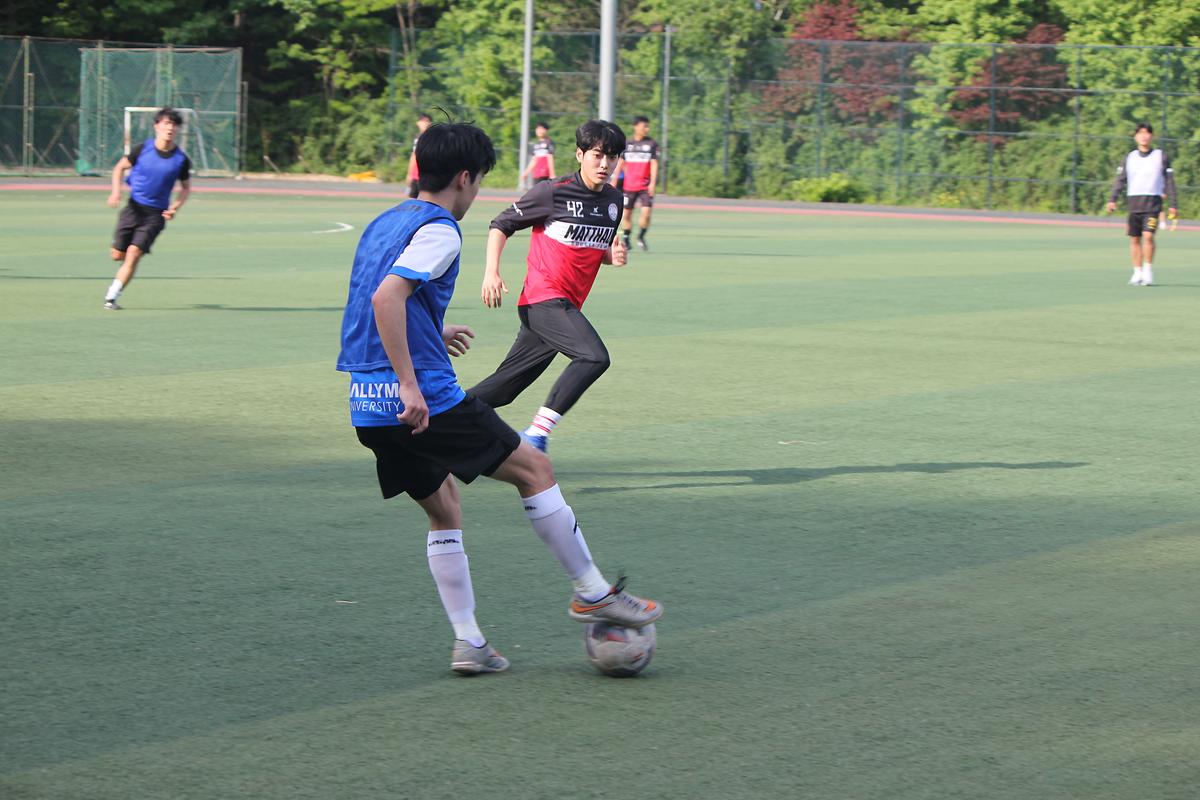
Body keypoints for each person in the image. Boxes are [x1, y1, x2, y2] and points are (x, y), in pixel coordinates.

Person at [336, 122, 660, 676]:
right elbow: (388, 297)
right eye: (481, 180)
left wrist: (431, 333)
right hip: (421, 399)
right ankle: (593, 592)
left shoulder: (383, 221)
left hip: (365, 402)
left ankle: (470, 644)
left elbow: (372, 301)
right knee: (534, 468)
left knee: (444, 507)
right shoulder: (441, 229)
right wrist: (410, 383)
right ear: (464, 178)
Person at [469, 120, 629, 453]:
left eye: (612, 157)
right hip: (543, 300)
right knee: (594, 357)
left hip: (564, 307)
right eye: (597, 155)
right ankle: (537, 433)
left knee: (503, 390)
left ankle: (431, 419)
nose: (605, 164)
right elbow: (501, 224)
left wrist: (611, 256)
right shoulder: (552, 192)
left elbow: (595, 250)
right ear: (580, 154)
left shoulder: (615, 201)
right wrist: (491, 272)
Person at [102, 107, 191, 310]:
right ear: (156, 126)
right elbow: (119, 168)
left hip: (155, 215)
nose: (170, 128)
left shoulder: (181, 159)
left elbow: (186, 188)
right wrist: (115, 192)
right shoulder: (142, 149)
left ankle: (111, 297)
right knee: (118, 255)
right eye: (166, 123)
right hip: (133, 208)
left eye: (174, 125)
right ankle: (123, 268)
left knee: (134, 253)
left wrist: (175, 207)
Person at [1106, 122, 1177, 287]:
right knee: (1134, 238)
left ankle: (1148, 270)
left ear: (1152, 136)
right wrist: (1112, 199)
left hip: (1152, 203)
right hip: (1134, 203)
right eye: (1140, 133)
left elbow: (1170, 181)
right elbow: (1120, 180)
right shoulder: (1129, 158)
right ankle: (1137, 272)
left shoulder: (1160, 156)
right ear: (1135, 136)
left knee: (1148, 235)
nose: (1144, 136)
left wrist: (1173, 204)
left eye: (1147, 133)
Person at [611, 115, 658, 251]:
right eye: (644, 126)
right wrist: (614, 180)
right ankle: (626, 238)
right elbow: (621, 163)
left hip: (645, 186)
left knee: (646, 214)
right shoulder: (628, 144)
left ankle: (641, 236)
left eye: (647, 126)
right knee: (626, 215)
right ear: (636, 127)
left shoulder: (652, 144)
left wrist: (652, 183)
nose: (646, 129)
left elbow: (654, 164)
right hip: (629, 186)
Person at [521, 121, 556, 187]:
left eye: (541, 129)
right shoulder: (536, 145)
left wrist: (552, 174)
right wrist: (526, 172)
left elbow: (550, 158)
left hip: (545, 174)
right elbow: (534, 160)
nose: (539, 131)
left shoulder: (549, 142)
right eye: (538, 129)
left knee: (544, 191)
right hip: (537, 174)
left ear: (546, 130)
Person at [406, 113, 433, 199]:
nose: (423, 123)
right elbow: (414, 157)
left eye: (426, 121)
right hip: (416, 175)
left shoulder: (433, 138)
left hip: (427, 176)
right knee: (412, 201)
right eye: (422, 121)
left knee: (426, 201)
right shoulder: (418, 138)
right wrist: (409, 174)